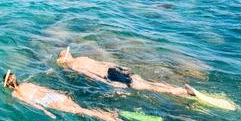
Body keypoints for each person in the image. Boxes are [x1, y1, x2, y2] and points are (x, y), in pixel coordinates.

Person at [2, 70, 127, 121]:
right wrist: (60, 94)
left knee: (83, 111)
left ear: (7, 85)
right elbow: (45, 89)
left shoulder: (15, 94)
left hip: (47, 102)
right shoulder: (26, 83)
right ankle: (110, 114)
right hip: (53, 96)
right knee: (81, 108)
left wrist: (46, 112)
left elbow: (31, 103)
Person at [56, 47, 193, 96]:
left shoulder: (74, 66)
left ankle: (179, 91)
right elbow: (103, 64)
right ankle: (178, 89)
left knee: (144, 86)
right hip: (112, 70)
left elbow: (90, 75)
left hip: (109, 75)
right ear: (68, 55)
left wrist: (108, 83)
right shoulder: (81, 58)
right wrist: (119, 67)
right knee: (144, 82)